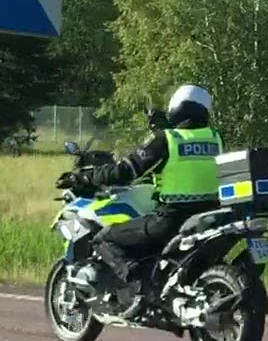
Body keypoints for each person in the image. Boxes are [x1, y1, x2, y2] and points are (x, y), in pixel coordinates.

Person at [65, 84, 224, 294]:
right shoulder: (215, 138)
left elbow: (125, 171)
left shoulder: (166, 139)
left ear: (177, 107)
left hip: (171, 220)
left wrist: (85, 177)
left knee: (104, 238)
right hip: (207, 216)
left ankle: (136, 284)